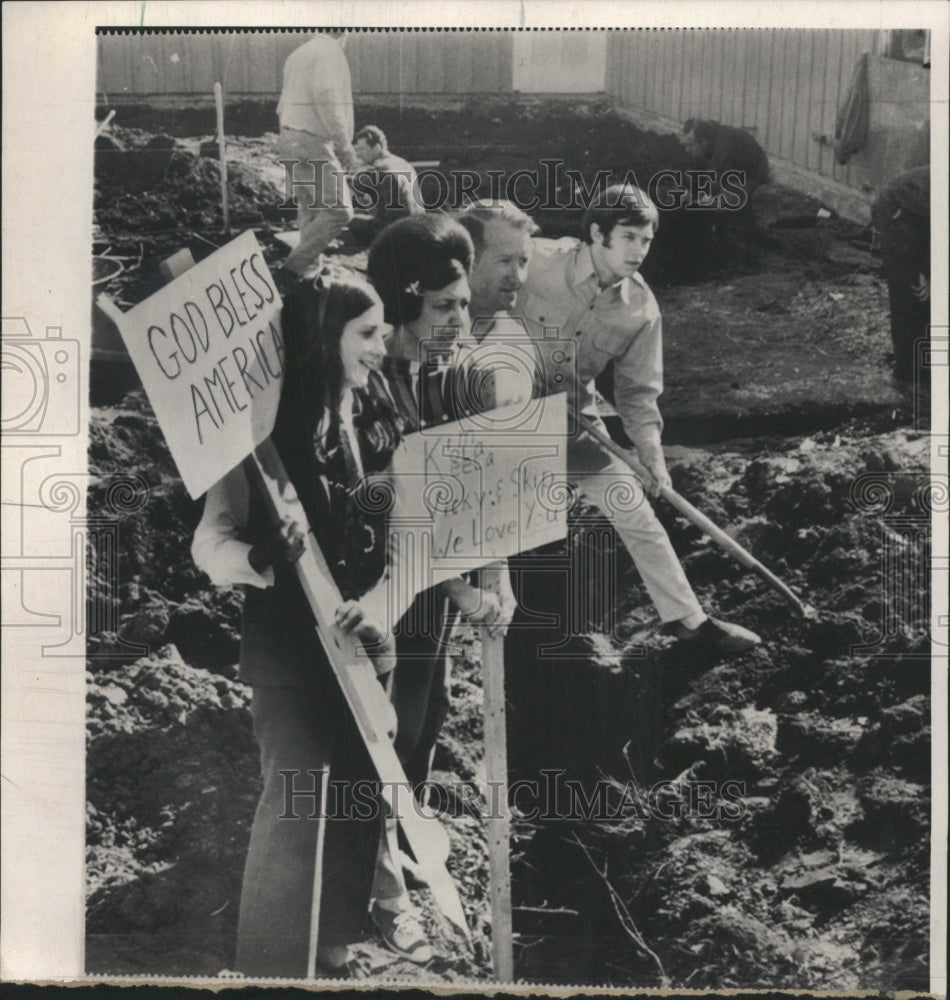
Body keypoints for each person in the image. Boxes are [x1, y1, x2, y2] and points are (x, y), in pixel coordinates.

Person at [192, 269, 430, 977]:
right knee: (295, 810)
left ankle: (332, 947)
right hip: (291, 659)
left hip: (362, 652)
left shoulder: (371, 424)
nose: (381, 348)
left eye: (384, 332)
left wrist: (382, 605)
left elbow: (407, 543)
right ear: (324, 342)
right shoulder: (257, 444)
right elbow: (211, 546)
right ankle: (272, 966)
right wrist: (264, 557)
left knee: (361, 806)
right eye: (366, 333)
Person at [515, 184, 760, 655]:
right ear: (596, 233)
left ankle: (688, 619)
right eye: (628, 237)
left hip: (573, 419)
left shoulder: (641, 309)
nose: (638, 250)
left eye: (646, 240)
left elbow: (638, 395)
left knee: (635, 510)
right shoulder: (539, 261)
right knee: (506, 520)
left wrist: (651, 457)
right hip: (498, 410)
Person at [366, 214, 517, 806]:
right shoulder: (370, 387)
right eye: (444, 308)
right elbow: (395, 519)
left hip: (443, 580)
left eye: (464, 305)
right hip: (383, 581)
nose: (461, 322)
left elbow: (490, 488)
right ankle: (379, 848)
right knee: (393, 716)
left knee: (432, 703)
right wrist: (462, 590)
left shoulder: (462, 373)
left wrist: (498, 579)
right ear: (404, 307)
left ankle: (411, 823)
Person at [276, 31, 360, 277]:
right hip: (310, 140)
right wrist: (344, 146)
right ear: (343, 34)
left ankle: (309, 272)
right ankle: (292, 270)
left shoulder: (297, 54)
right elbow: (327, 97)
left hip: (289, 135)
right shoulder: (330, 52)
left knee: (310, 208)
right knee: (339, 211)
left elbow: (283, 103)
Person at [871, 165, 930, 384]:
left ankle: (927, 363)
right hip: (897, 209)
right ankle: (907, 374)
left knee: (931, 299)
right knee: (910, 293)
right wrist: (928, 272)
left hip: (922, 214)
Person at [348, 125, 424, 244]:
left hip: (395, 231)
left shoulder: (380, 168)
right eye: (357, 149)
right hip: (417, 225)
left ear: (377, 147)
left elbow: (354, 185)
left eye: (362, 149)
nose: (359, 154)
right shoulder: (402, 162)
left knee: (349, 218)